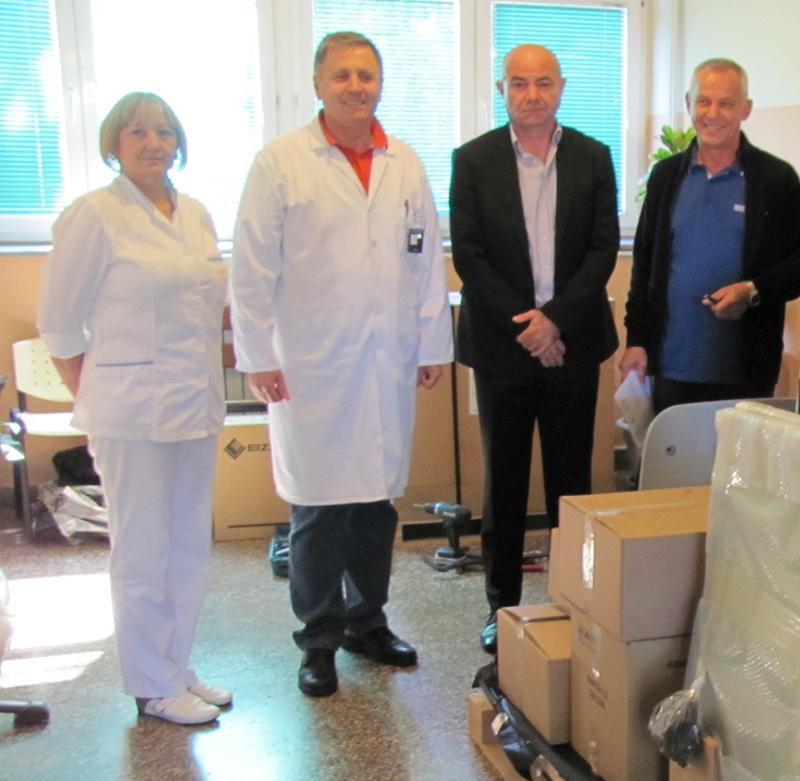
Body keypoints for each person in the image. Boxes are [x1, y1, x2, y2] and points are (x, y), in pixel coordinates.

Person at [230, 31, 452, 698]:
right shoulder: (281, 163)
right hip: (311, 363)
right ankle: (319, 637)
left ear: (380, 84)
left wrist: (432, 343)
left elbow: (426, 260)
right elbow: (251, 269)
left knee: (376, 503)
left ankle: (367, 621)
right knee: (321, 507)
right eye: (343, 75)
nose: (356, 86)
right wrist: (257, 356)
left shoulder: (403, 162)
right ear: (318, 83)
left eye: (367, 75)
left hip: (386, 358)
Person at [37, 92, 230, 725]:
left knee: (187, 544)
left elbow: (209, 308)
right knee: (143, 548)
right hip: (130, 414)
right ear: (113, 145)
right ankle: (151, 685)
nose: (153, 143)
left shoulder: (195, 213)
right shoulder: (94, 215)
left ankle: (176, 664)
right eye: (137, 132)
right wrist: (94, 391)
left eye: (165, 131)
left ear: (180, 143)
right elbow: (59, 324)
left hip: (195, 401)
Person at [450, 44, 619, 655]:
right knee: (505, 481)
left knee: (572, 482)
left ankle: (575, 600)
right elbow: (469, 254)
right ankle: (501, 604)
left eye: (543, 83)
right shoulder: (473, 160)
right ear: (502, 90)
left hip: (572, 343)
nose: (532, 95)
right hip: (503, 347)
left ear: (561, 88)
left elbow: (602, 249)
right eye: (519, 83)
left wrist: (556, 323)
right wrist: (529, 326)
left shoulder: (593, 157)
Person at [619, 58, 800, 417]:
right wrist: (636, 341)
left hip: (746, 373)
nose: (712, 114)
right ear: (688, 104)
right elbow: (644, 266)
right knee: (675, 456)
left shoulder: (776, 179)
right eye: (703, 101)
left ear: (746, 109)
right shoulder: (665, 177)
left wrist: (752, 290)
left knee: (737, 457)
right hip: (672, 368)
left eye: (726, 103)